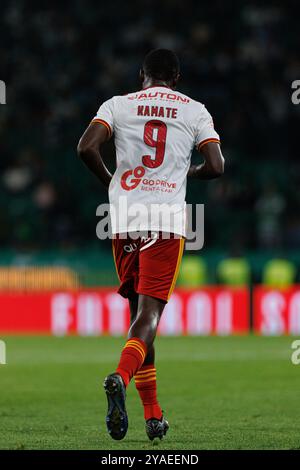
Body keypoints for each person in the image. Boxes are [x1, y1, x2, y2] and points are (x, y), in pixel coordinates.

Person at [77, 48, 224, 441]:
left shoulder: (117, 105)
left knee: (137, 322)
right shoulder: (195, 110)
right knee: (150, 317)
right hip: (165, 221)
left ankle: (153, 416)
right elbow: (216, 165)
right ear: (175, 78)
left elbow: (85, 147)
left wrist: (111, 181)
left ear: (142, 74)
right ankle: (120, 378)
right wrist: (187, 170)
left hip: (121, 220)